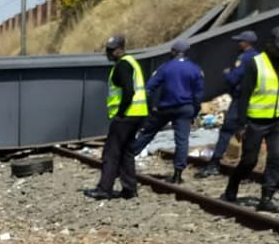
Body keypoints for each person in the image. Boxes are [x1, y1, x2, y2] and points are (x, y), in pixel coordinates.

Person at [220, 25, 279, 213]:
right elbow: (244, 95)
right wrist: (241, 124)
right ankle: (232, 187)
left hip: (278, 120)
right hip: (255, 121)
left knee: (276, 159)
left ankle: (267, 197)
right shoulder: (256, 63)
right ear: (270, 45)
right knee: (249, 161)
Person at [127, 38, 203, 183]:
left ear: (174, 52)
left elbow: (149, 88)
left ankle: (128, 158)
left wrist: (150, 107)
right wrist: (194, 111)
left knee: (147, 132)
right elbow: (198, 94)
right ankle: (178, 174)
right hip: (186, 108)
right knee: (182, 140)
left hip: (165, 107)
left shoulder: (165, 67)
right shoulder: (195, 69)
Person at [84, 34, 149, 200]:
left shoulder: (123, 65)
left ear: (120, 49)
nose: (108, 53)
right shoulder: (132, 62)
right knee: (127, 152)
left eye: (111, 50)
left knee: (111, 153)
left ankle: (104, 188)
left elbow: (129, 90)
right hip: (137, 114)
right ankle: (129, 189)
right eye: (107, 50)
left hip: (126, 116)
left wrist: (121, 112)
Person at [196, 29, 259, 178]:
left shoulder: (244, 58)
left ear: (245, 43)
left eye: (240, 41)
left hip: (239, 100)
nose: (238, 44)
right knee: (250, 133)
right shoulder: (259, 57)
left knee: (226, 131)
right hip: (255, 100)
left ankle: (214, 163)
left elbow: (233, 78)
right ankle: (247, 166)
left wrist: (227, 73)